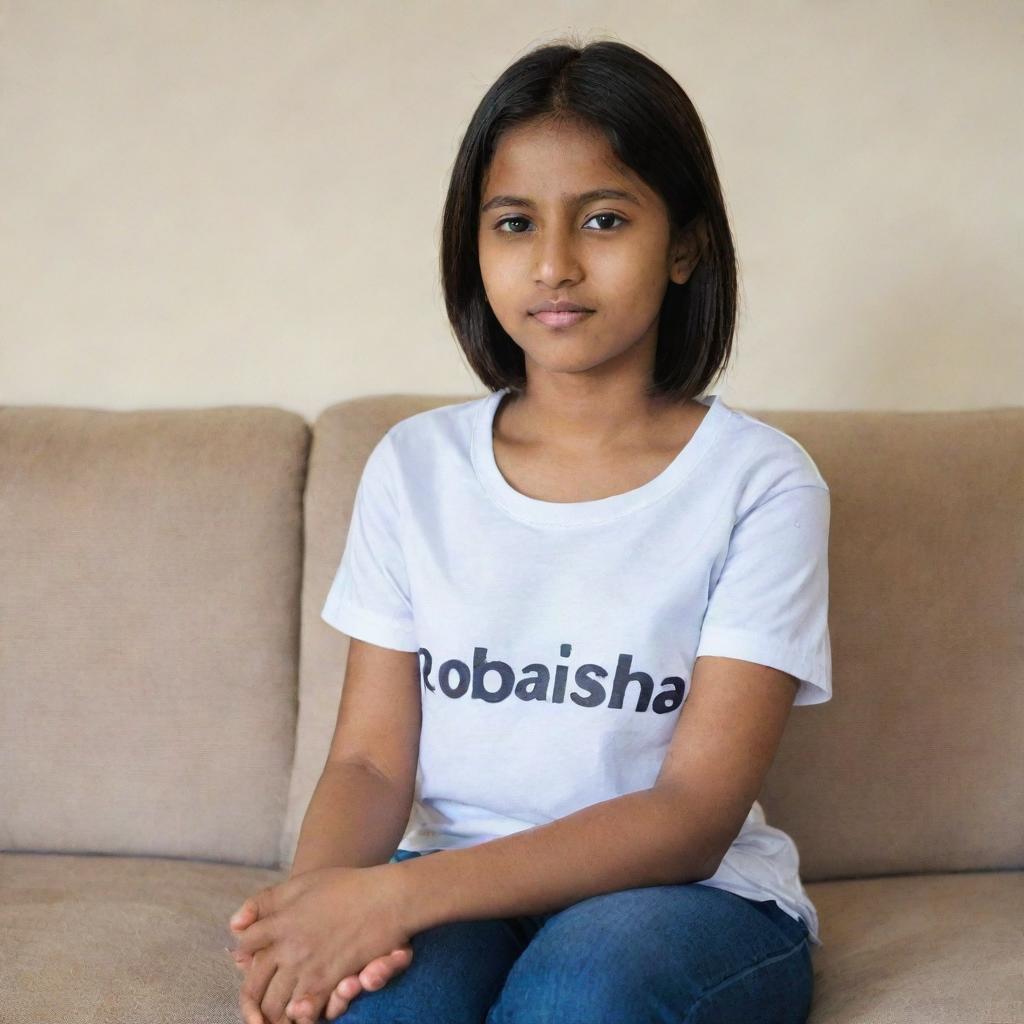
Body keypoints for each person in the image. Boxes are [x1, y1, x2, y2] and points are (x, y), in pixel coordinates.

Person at [228, 33, 831, 1024]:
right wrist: (317, 922)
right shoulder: (415, 467)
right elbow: (369, 763)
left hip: (684, 900)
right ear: (475, 246)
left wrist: (395, 896)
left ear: (682, 244)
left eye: (602, 219)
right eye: (514, 223)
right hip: (451, 882)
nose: (554, 263)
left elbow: (689, 817)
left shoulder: (759, 483)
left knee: (578, 994)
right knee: (386, 1011)